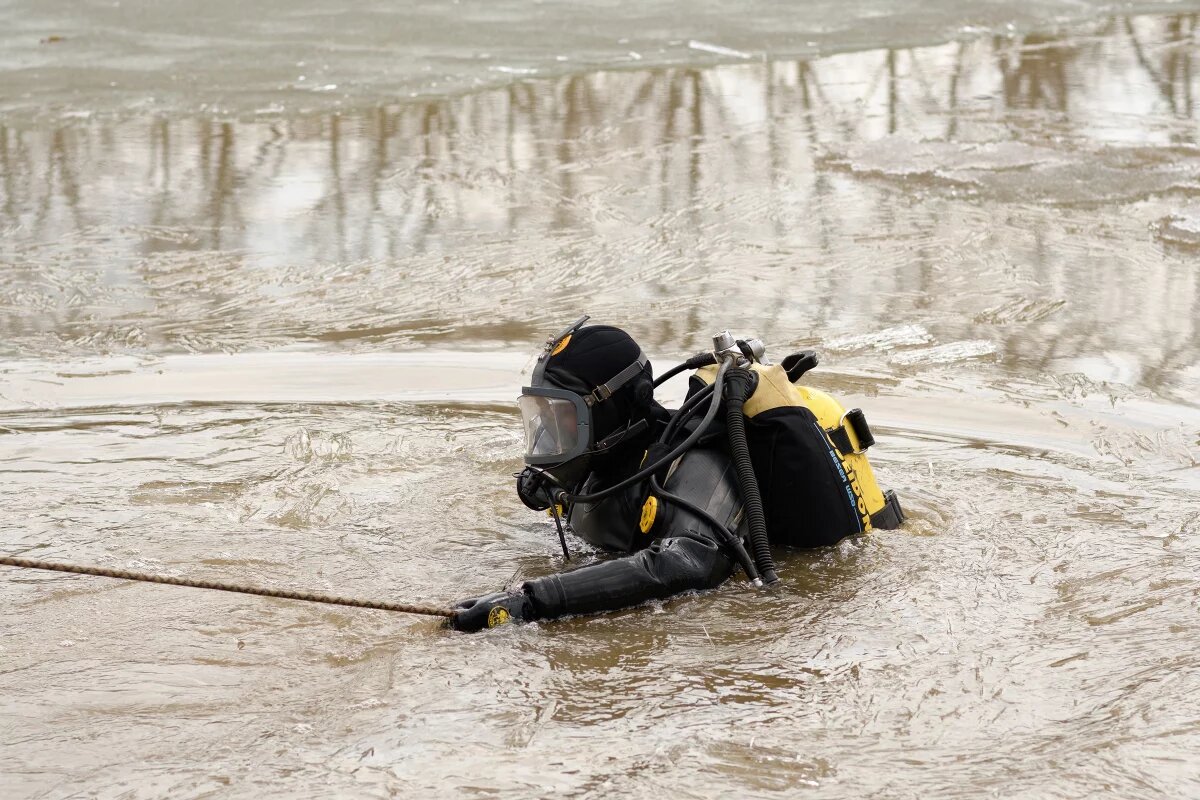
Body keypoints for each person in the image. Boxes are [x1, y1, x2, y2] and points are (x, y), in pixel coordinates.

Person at [448, 318, 903, 632]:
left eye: (562, 416)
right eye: (541, 416)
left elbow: (690, 562)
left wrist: (531, 600)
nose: (550, 434)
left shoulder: (697, 464)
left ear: (613, 411)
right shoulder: (602, 464)